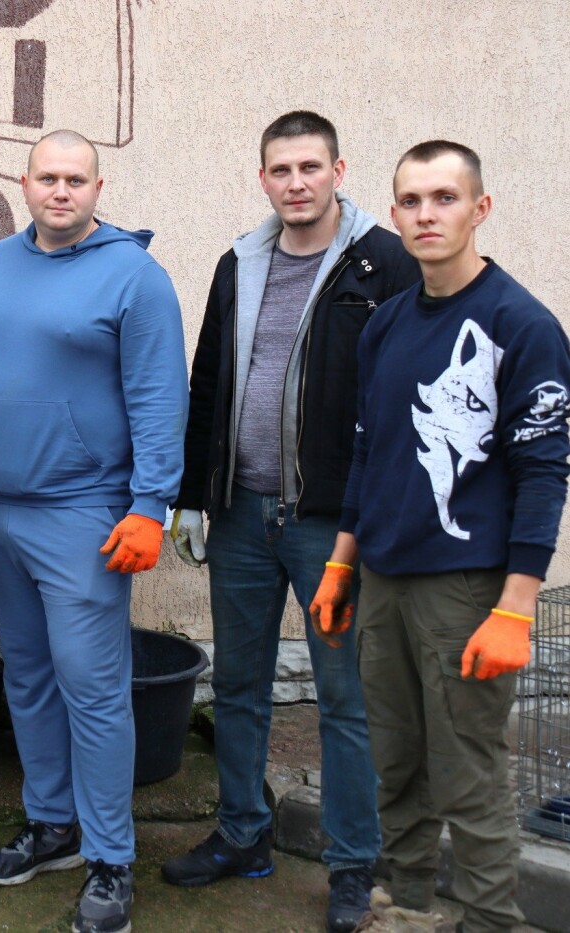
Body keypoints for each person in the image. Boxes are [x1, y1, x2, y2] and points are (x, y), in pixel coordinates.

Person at [164, 111, 420, 932]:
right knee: (237, 686)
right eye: (281, 170)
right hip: (240, 514)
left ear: (340, 170)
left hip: (331, 523)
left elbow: (407, 398)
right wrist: (191, 497)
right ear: (264, 179)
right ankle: (243, 832)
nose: (297, 182)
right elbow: (207, 381)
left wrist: (376, 516)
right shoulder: (239, 262)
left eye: (311, 167)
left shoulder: (385, 263)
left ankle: (354, 862)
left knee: (345, 697)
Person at [311, 141, 570, 933]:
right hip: (382, 579)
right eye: (412, 201)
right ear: (393, 215)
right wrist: (340, 563)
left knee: (468, 775)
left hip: (466, 585)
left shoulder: (520, 325)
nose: (427, 214)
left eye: (445, 198)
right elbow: (369, 450)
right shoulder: (385, 324)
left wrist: (516, 606)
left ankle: (490, 919)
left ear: (479, 209)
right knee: (397, 767)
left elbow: (545, 471)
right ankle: (411, 909)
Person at [0, 130, 188, 933]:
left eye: (76, 179)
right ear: (24, 182)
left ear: (99, 186)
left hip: (87, 511)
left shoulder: (136, 276)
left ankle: (111, 860)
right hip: (5, 509)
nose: (61, 191)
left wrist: (151, 505)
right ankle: (53, 824)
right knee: (25, 677)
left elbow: (161, 399)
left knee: (92, 689)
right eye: (48, 177)